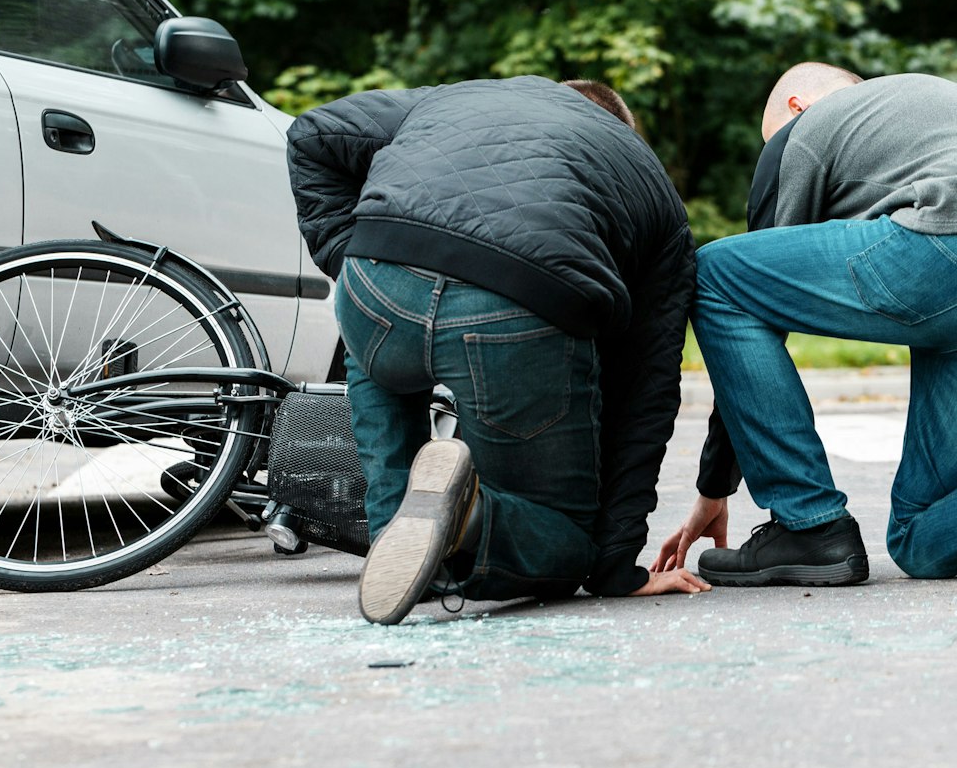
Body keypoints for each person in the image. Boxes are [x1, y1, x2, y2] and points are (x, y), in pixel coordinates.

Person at [287, 74, 708, 625]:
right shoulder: (648, 181)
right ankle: (467, 519)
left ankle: (400, 540)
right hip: (517, 305)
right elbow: (644, 391)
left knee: (374, 364)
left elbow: (311, 133)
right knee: (566, 541)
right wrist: (614, 566)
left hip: (377, 288)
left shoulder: (460, 95)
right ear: (619, 129)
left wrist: (348, 259)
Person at [654, 63, 957, 586]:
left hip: (940, 246)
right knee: (919, 538)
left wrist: (714, 488)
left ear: (796, 107)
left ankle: (810, 526)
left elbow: (747, 311)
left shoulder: (803, 132)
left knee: (719, 275)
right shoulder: (922, 107)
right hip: (943, 299)